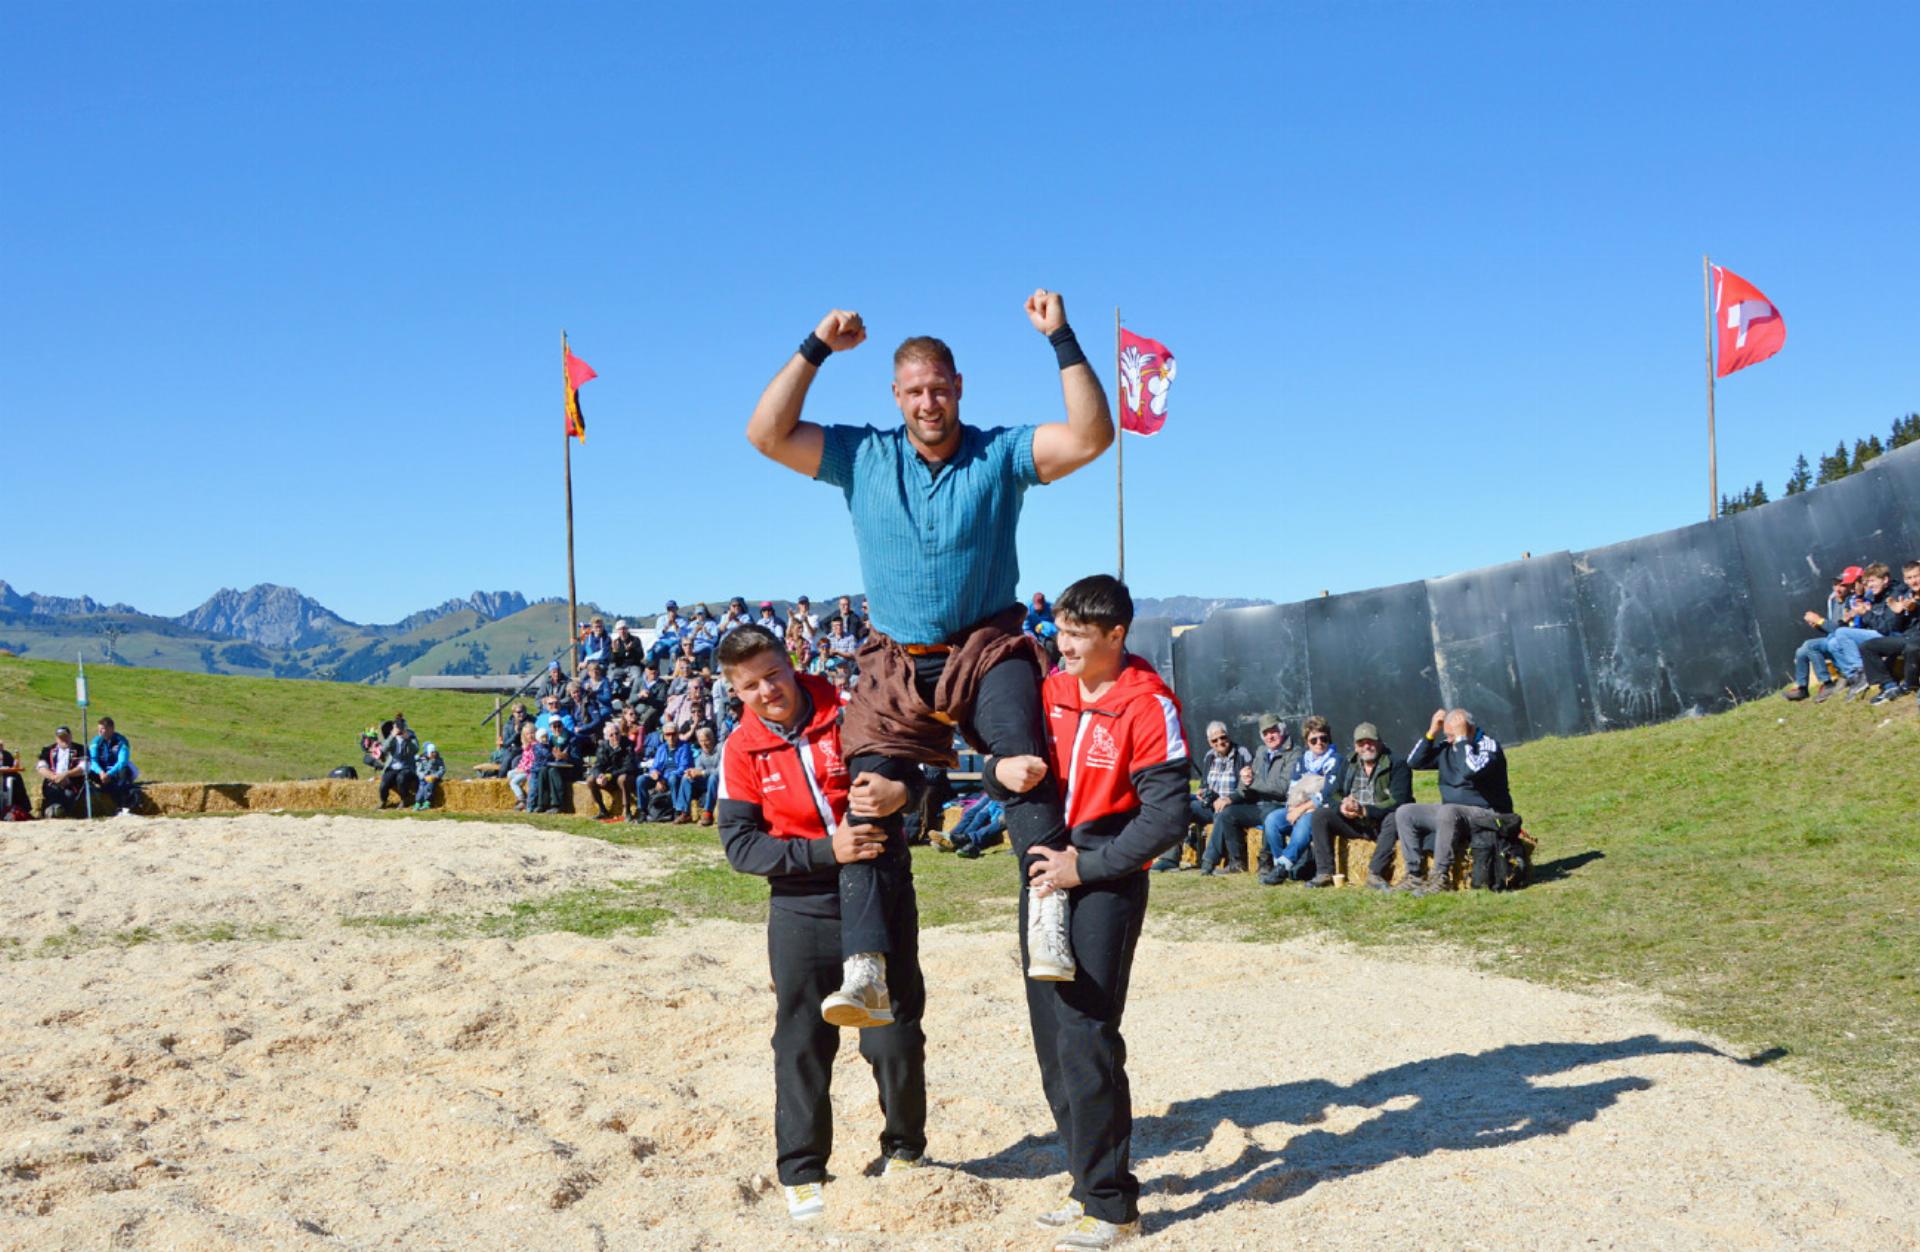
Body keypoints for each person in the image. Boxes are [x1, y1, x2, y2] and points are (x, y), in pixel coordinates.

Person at [746, 290, 1114, 985]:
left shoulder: (999, 455)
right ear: (895, 395)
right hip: (894, 660)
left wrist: (1061, 338)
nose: (928, 403)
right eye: (914, 391)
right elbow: (765, 433)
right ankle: (867, 962)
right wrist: (817, 345)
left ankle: (1048, 918)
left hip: (986, 647)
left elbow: (1092, 436)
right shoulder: (862, 456)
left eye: (939, 389)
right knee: (868, 792)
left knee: (1025, 763)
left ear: (959, 389)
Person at [712, 623, 925, 1223]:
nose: (767, 691)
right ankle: (802, 1168)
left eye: (773, 674)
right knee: (801, 1037)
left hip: (880, 886)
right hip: (802, 903)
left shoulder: (850, 711)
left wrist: (901, 792)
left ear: (791, 662)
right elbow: (742, 849)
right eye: (749, 685)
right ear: (734, 690)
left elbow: (915, 772)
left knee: (894, 1029)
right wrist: (825, 851)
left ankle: (905, 1149)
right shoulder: (740, 749)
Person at [1021, 575, 1189, 1250]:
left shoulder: (1149, 704)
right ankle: (1084, 1184)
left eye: (1076, 636)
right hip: (1045, 874)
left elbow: (1167, 818)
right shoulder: (1053, 686)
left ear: (1116, 635)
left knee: (1087, 1036)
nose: (1061, 647)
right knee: (1052, 1042)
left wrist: (1084, 868)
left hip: (1104, 878)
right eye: (1059, 632)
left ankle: (1115, 1208)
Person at [1392, 708, 1517, 895]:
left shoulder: (1488, 747)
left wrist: (1462, 740)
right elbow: (1414, 762)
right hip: (1452, 815)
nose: (1449, 740)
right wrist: (1431, 733)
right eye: (1447, 735)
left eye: (1451, 735)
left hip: (1487, 812)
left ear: (1466, 730)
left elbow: (1469, 770)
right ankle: (1414, 874)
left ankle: (1440, 876)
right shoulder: (1448, 746)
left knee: (1448, 811)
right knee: (1405, 812)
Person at [1308, 723, 1413, 890]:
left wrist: (1365, 810)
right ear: (1356, 746)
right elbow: (1333, 793)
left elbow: (1399, 800)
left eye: (1370, 742)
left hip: (1380, 824)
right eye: (1361, 743)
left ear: (1379, 742)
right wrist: (1342, 806)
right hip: (1354, 822)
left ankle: (1374, 874)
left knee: (1395, 817)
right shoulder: (1349, 763)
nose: (1366, 746)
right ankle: (1324, 872)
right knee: (1320, 815)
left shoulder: (1397, 764)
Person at [1260, 716, 1339, 885]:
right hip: (1299, 806)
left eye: (1323, 738)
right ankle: (1281, 865)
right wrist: (1291, 808)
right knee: (1272, 820)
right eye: (1314, 740)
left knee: (1304, 822)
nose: (1319, 743)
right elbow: (1293, 789)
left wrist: (1301, 809)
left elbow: (1328, 794)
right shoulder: (1302, 761)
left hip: (1320, 810)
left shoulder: (1336, 760)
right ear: (1307, 742)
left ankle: (1283, 866)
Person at [1783, 566, 1867, 701]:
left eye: (1841, 585)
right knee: (1801, 651)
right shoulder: (1833, 600)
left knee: (1810, 645)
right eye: (1835, 585)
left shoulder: (1853, 600)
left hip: (1844, 642)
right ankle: (1802, 688)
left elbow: (1843, 631)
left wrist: (1820, 621)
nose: (1837, 589)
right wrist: (1818, 625)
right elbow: (1832, 628)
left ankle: (1828, 683)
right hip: (1833, 638)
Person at [1188, 722, 1258, 874]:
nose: (1220, 742)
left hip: (1234, 804)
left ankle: (1209, 861)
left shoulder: (1243, 753)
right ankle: (1170, 858)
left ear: (1228, 736)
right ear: (1209, 742)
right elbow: (1204, 783)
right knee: (1182, 805)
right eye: (1215, 740)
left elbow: (1249, 787)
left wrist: (1229, 799)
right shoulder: (1209, 756)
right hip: (1211, 804)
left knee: (1224, 811)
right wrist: (1202, 791)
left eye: (1223, 737)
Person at [1865, 560, 1920, 705]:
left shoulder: (1907, 596)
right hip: (1907, 636)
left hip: (1915, 640)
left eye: (1916, 576)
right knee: (1868, 646)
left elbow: (1914, 605)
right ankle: (1888, 686)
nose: (1913, 581)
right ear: (1904, 579)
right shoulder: (1905, 594)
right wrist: (1898, 612)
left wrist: (1914, 606)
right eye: (1909, 578)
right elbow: (1893, 627)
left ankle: (1910, 685)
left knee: (1912, 647)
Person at [86, 716, 138, 812]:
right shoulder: (96, 741)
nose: (100, 731)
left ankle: (125, 805)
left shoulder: (121, 741)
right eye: (99, 729)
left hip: (116, 771)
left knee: (124, 771)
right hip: (102, 772)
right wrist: (101, 772)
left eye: (102, 729)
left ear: (111, 729)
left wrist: (109, 774)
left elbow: (122, 762)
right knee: (86, 770)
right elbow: (93, 760)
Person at [586, 720, 635, 820]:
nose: (615, 737)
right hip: (609, 778)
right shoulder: (603, 746)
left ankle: (627, 811)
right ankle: (602, 810)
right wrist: (599, 775)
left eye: (617, 733)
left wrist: (610, 775)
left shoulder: (628, 744)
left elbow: (628, 766)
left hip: (623, 777)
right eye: (611, 735)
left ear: (620, 733)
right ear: (607, 737)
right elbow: (597, 765)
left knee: (623, 778)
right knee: (590, 780)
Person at [35, 727, 89, 818]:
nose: (63, 740)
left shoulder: (80, 749)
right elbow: (41, 766)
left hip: (72, 783)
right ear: (56, 739)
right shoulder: (48, 750)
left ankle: (61, 813)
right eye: (61, 738)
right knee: (52, 794)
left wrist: (66, 775)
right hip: (53, 783)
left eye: (66, 737)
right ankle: (52, 812)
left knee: (69, 795)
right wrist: (53, 777)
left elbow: (84, 767)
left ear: (71, 736)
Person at [677, 725, 722, 825]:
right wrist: (692, 772)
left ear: (712, 739)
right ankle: (685, 812)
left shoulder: (720, 748)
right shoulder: (701, 754)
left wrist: (702, 772)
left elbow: (722, 769)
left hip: (720, 783)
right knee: (686, 778)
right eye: (701, 741)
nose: (704, 744)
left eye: (706, 740)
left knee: (713, 777)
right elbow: (699, 769)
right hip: (705, 782)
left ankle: (708, 812)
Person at [377, 721, 419, 808]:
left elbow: (415, 750)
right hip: (392, 767)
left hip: (407, 767)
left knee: (401, 778)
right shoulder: (392, 737)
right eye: (397, 727)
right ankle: (383, 801)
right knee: (384, 782)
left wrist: (407, 739)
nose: (399, 729)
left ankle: (405, 799)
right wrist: (392, 736)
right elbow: (384, 749)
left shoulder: (411, 735)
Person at [608, 620, 646, 695]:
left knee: (637, 676)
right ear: (617, 631)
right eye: (620, 629)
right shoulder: (615, 642)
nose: (622, 631)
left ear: (627, 629)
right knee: (611, 676)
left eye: (624, 629)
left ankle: (634, 693)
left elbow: (641, 655)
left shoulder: (635, 640)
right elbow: (611, 660)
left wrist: (631, 650)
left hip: (633, 666)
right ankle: (614, 694)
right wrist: (615, 651)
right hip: (620, 667)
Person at [506, 722, 538, 811]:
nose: (530, 736)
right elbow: (524, 760)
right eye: (528, 734)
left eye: (532, 733)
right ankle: (522, 788)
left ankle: (522, 800)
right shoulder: (526, 747)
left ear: (536, 733)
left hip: (529, 772)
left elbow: (534, 763)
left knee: (513, 782)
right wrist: (519, 768)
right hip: (523, 769)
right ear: (524, 736)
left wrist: (523, 770)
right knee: (509, 773)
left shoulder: (536, 746)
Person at [413, 743, 445, 810]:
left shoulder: (438, 759)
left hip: (433, 777)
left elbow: (442, 769)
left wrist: (435, 776)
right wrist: (423, 776)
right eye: (431, 752)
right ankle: (418, 802)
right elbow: (418, 770)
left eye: (434, 752)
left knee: (429, 786)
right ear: (427, 752)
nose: (433, 754)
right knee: (421, 786)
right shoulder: (421, 759)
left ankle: (427, 802)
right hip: (424, 777)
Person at [0, 739, 28, 818]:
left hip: (4, 778)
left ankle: (19, 808)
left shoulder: (6, 754)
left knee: (16, 778)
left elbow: (14, 767)